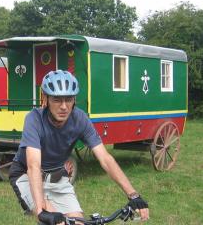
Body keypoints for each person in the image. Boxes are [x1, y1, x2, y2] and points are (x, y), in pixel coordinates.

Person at [9, 70, 149, 225]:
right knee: (56, 222)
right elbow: (33, 166)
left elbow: (105, 158)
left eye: (68, 99)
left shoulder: (80, 119)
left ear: (74, 99)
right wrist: (42, 211)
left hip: (57, 178)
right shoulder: (34, 119)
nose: (64, 107)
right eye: (57, 100)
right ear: (46, 98)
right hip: (26, 176)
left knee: (79, 223)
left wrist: (133, 195)